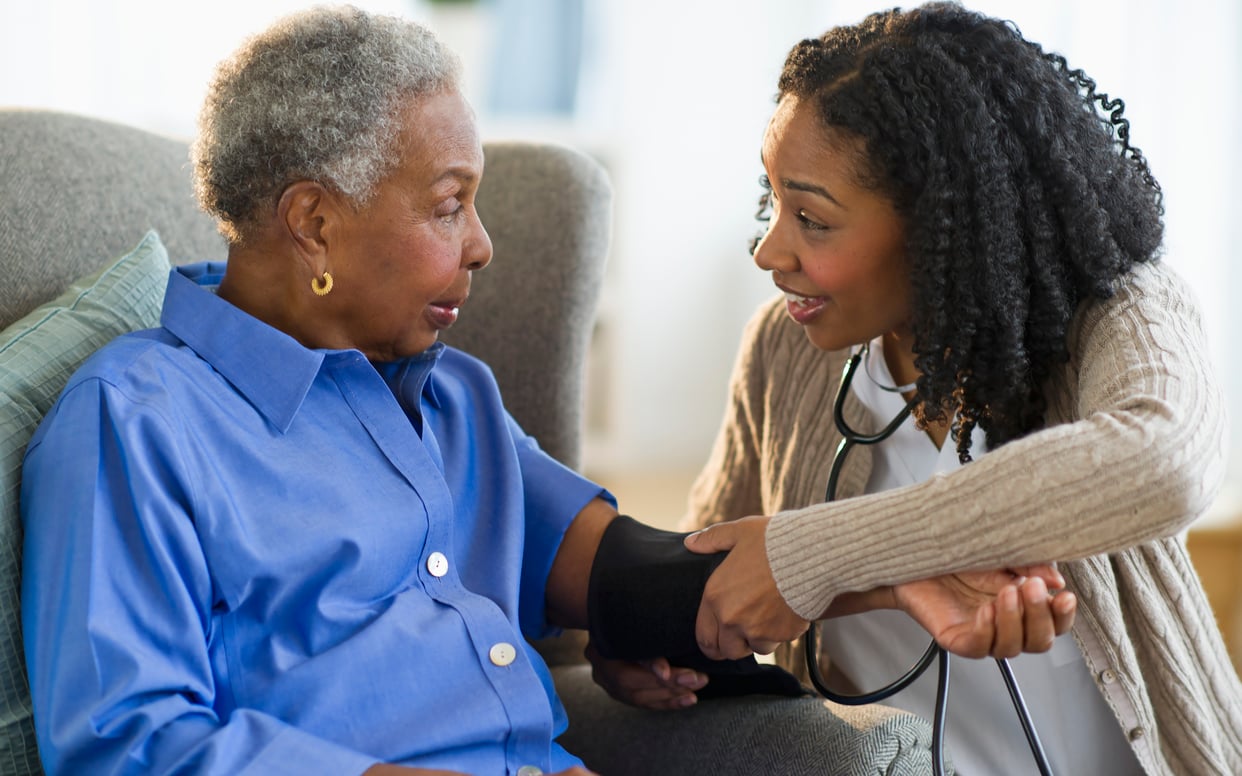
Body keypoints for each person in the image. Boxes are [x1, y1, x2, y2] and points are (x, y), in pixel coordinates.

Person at [18, 5, 1076, 776]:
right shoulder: (138, 419)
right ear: (314, 221)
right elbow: (126, 744)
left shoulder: (452, 401)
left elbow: (639, 578)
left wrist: (899, 576)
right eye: (449, 205)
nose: (483, 244)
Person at [590, 3, 1241, 775]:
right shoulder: (784, 349)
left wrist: (819, 555)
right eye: (774, 202)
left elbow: (1163, 464)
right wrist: (658, 646)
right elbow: (723, 569)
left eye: (812, 218)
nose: (769, 251)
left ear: (941, 225)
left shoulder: (1119, 311)